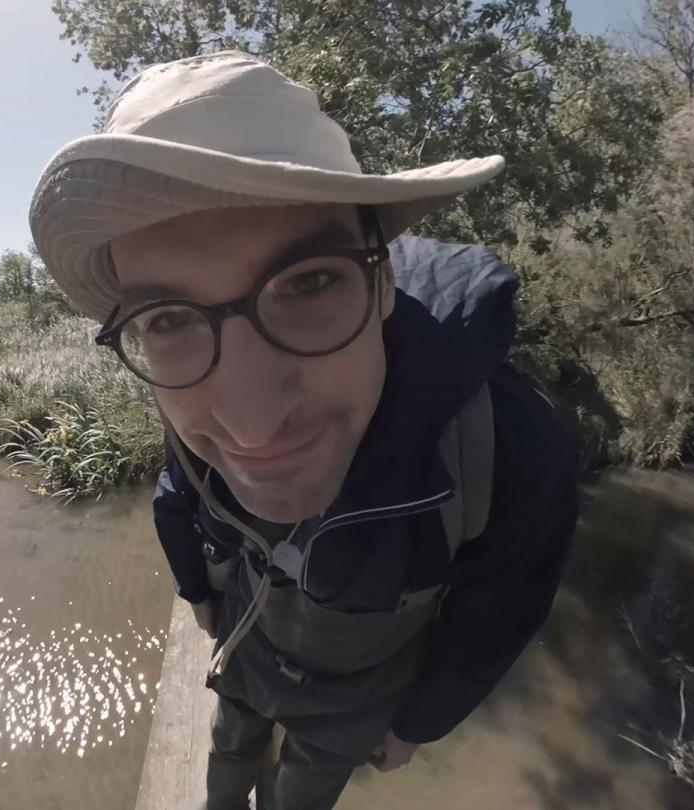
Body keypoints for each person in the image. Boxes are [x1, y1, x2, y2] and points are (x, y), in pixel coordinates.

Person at [28, 51, 578, 810]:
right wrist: (198, 591)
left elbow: (500, 610)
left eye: (310, 283)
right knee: (229, 749)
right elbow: (175, 494)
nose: (248, 422)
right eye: (167, 318)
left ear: (382, 281)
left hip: (360, 697)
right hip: (252, 646)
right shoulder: (181, 395)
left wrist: (420, 723)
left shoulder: (512, 447)